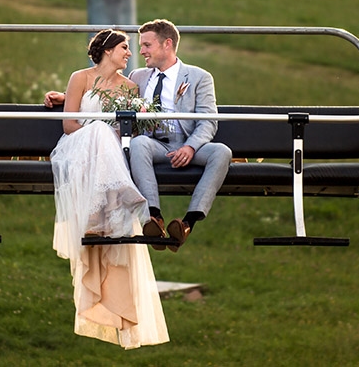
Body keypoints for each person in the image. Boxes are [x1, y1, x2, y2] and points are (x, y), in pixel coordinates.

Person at [46, 29, 168, 349]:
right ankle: (127, 203)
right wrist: (96, 131)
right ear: (108, 50)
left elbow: (131, 129)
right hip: (78, 148)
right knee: (100, 130)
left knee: (107, 135)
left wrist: (109, 136)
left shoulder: (130, 87)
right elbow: (70, 125)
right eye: (125, 48)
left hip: (112, 153)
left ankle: (105, 218)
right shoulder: (80, 78)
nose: (129, 54)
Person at [129, 19, 231, 251]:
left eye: (147, 45)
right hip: (156, 145)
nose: (141, 51)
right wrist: (66, 96)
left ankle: (187, 223)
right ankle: (154, 217)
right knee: (139, 143)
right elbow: (108, 90)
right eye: (141, 45)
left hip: (186, 144)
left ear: (167, 44)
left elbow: (208, 120)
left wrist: (191, 147)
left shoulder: (199, 77)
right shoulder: (138, 76)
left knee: (222, 152)